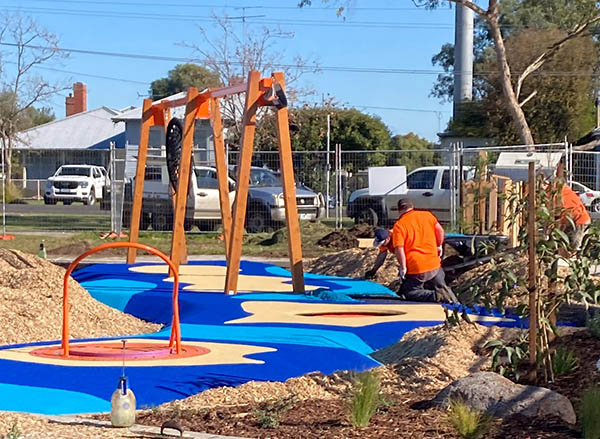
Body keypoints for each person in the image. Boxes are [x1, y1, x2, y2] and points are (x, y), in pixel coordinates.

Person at [391, 198, 458, 303]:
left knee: (409, 292)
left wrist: (403, 267)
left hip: (417, 268)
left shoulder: (399, 226)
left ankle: (436, 296)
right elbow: (440, 230)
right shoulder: (427, 215)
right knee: (442, 285)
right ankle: (457, 306)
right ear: (412, 206)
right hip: (434, 264)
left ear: (399, 210)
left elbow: (399, 248)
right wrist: (439, 245)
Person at [561, 182, 591, 251]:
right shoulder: (560, 188)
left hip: (578, 221)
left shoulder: (556, 192)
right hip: (574, 219)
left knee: (571, 247)